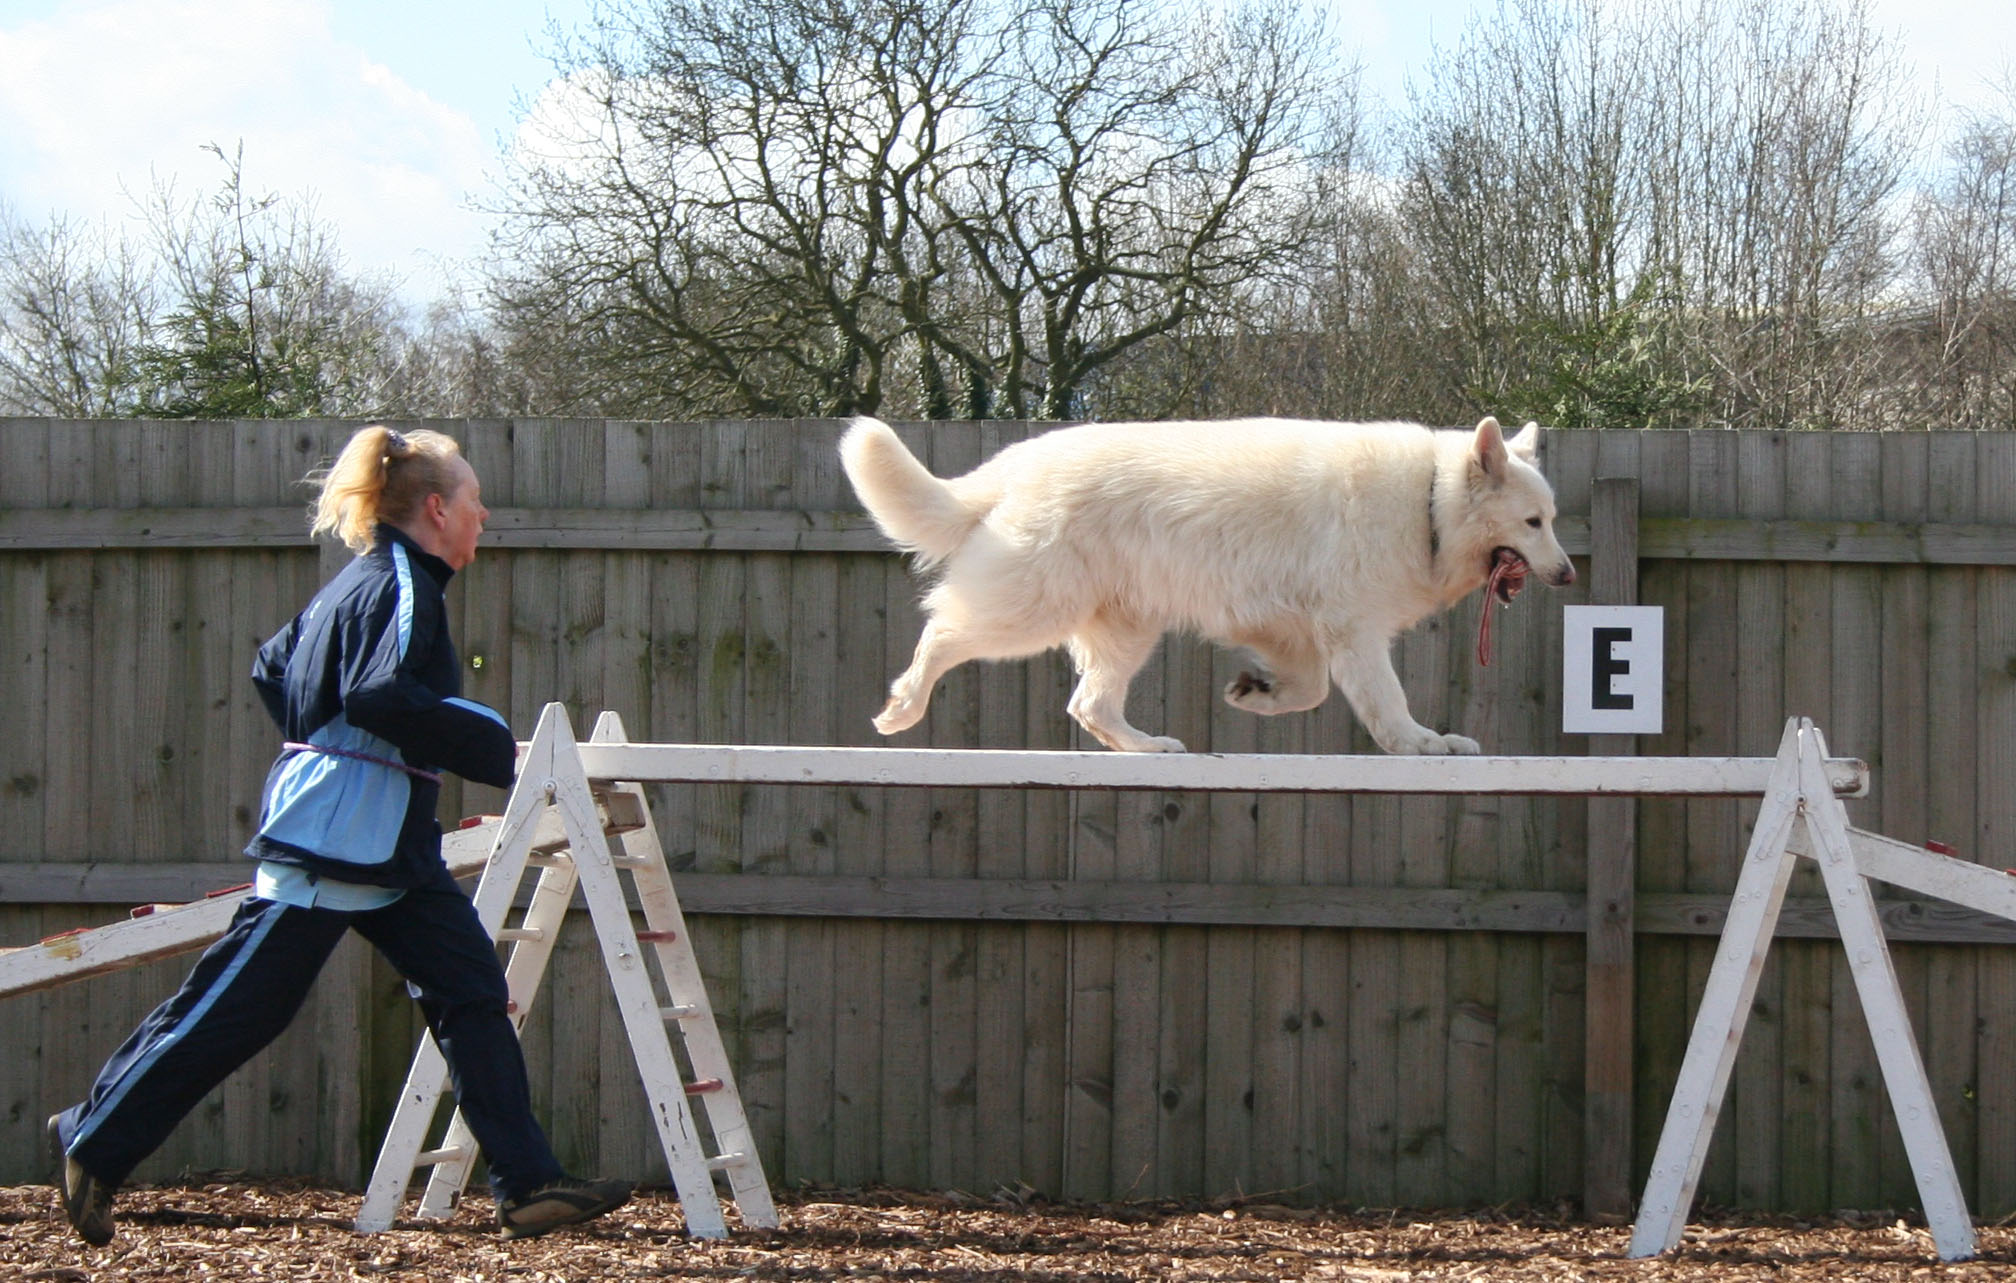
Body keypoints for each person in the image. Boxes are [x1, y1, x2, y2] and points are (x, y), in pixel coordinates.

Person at [47, 426, 631, 1246]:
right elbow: (379, 695)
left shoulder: (361, 584)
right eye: (472, 499)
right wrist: (499, 742)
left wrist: (325, 744)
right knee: (238, 1009)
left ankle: (527, 1181)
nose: (484, 513)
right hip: (334, 838)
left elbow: (271, 668)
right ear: (436, 508)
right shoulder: (400, 586)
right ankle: (94, 1135)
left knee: (471, 992)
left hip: (390, 844)